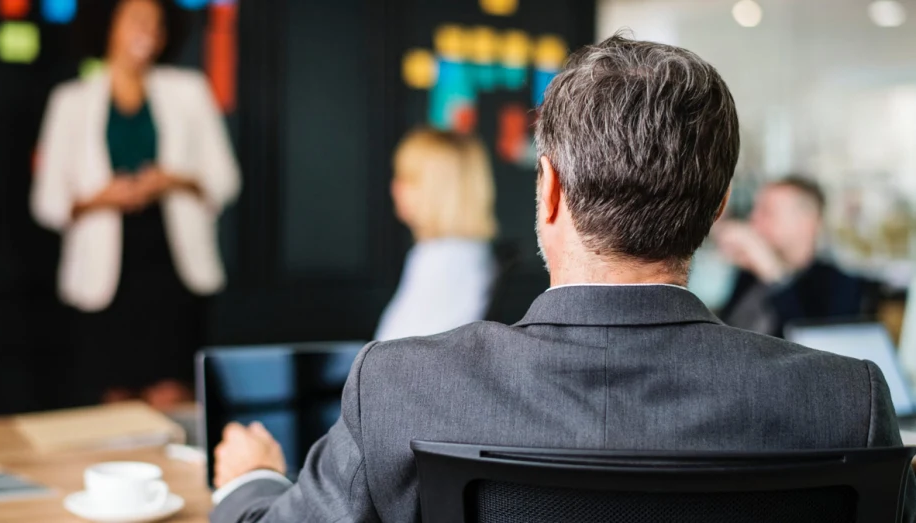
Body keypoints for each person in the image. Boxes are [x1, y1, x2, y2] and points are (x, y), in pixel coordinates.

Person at [210, 35, 913, 523]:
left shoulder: (400, 388)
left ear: (547, 190)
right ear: (717, 204)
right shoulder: (848, 401)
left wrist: (252, 480)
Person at [31, 0, 240, 408]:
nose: (149, 32)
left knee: (173, 396)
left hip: (172, 265)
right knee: (114, 402)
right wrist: (100, 198)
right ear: (109, 25)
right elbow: (47, 202)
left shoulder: (189, 92)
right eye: (138, 21)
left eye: (158, 24)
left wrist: (171, 179)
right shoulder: (71, 101)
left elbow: (226, 180)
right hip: (103, 275)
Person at [375, 128, 498, 341]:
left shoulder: (443, 258)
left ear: (437, 189)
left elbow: (390, 353)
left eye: (408, 178)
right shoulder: (467, 254)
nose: (395, 187)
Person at [716, 177, 863, 337]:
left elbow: (809, 346)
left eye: (767, 212)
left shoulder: (838, 286)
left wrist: (772, 272)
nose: (754, 218)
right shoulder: (749, 275)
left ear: (808, 223)